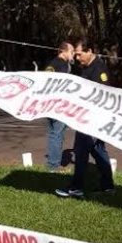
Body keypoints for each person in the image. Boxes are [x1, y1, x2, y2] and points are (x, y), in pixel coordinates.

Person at [55, 39, 115, 198]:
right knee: (99, 152)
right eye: (75, 54)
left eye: (79, 54)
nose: (77, 57)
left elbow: (103, 95)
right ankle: (107, 186)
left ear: (90, 51)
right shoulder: (87, 68)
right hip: (87, 118)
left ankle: (76, 188)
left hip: (92, 120)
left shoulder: (99, 71)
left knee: (81, 153)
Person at [43, 42, 74, 171]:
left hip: (48, 103)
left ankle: (52, 162)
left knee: (53, 133)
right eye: (71, 51)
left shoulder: (52, 63)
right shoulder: (62, 65)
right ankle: (53, 166)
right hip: (58, 105)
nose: (73, 54)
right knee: (57, 134)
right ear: (63, 51)